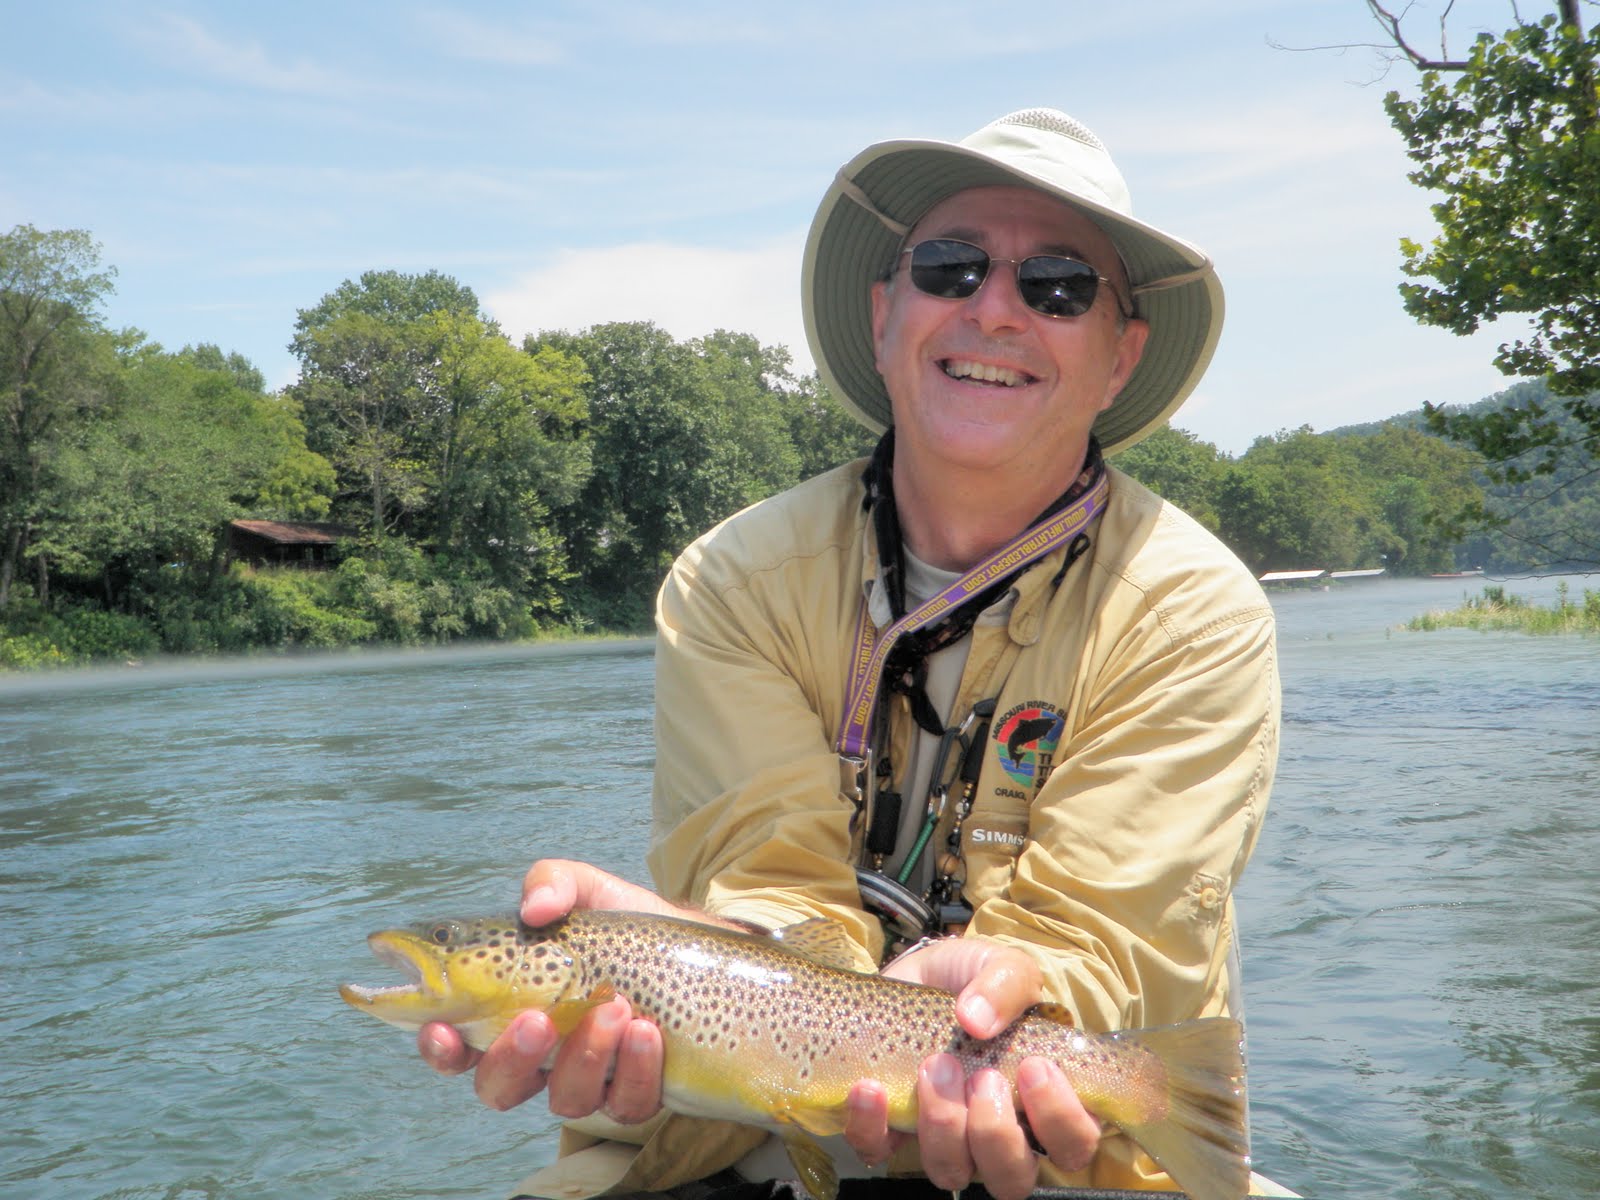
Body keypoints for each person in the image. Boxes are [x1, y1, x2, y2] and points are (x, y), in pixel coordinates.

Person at [420, 107, 1279, 1200]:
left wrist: (1016, 992)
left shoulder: (1192, 612)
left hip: (1066, 1149)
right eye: (950, 268)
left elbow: (1106, 939)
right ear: (884, 317)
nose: (996, 310)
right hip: (731, 1135)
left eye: (1058, 286)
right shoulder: (733, 580)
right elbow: (775, 885)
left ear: (1121, 355)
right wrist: (676, 952)